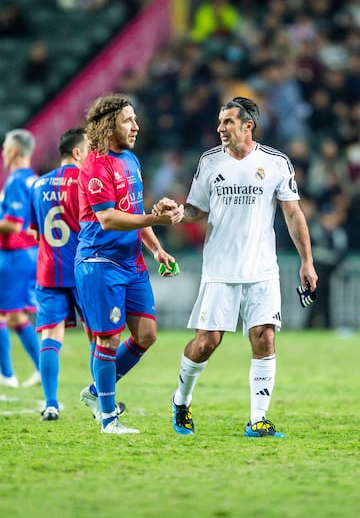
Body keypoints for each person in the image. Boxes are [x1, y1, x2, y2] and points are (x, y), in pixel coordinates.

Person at [154, 96, 318, 438]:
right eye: (219, 122)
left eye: (228, 122)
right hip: (219, 270)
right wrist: (178, 213)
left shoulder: (275, 163)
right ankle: (181, 401)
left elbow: (293, 213)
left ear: (248, 125)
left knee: (264, 338)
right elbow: (197, 209)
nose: (220, 128)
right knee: (206, 343)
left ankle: (258, 419)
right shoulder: (210, 162)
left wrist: (307, 261)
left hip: (262, 270)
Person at [74, 93, 183, 435]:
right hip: (100, 262)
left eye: (135, 120)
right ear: (109, 125)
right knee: (107, 341)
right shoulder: (94, 165)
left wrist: (156, 248)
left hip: (131, 262)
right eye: (128, 120)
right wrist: (153, 217)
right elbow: (107, 218)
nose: (136, 126)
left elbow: (134, 212)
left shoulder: (131, 161)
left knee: (146, 335)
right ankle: (109, 419)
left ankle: (95, 392)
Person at [30, 128, 90, 420]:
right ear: (77, 153)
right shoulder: (85, 182)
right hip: (82, 269)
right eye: (89, 149)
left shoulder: (39, 184)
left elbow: (33, 231)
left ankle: (51, 403)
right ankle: (100, 402)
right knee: (98, 337)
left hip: (48, 270)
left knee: (50, 338)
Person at [0, 129, 40, 388]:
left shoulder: (15, 181)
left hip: (14, 254)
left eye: (5, 147)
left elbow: (13, 224)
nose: (3, 152)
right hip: (29, 254)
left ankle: (6, 375)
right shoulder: (34, 180)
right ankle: (40, 368)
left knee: (3, 315)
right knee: (14, 316)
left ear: (14, 151)